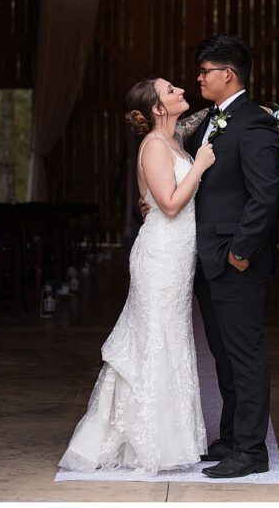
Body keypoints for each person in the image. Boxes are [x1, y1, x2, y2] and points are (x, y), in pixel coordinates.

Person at [59, 78, 215, 475]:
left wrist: (227, 112)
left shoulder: (175, 136)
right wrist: (198, 166)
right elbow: (170, 204)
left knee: (171, 338)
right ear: (157, 109)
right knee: (153, 340)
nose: (180, 88)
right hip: (160, 256)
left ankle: (168, 437)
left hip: (178, 258)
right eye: (170, 90)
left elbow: (197, 119)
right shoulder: (153, 146)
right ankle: (144, 440)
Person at [185, 35, 279, 478]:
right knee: (223, 355)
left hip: (233, 258)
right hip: (207, 256)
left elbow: (264, 195)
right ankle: (229, 439)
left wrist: (241, 252)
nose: (200, 78)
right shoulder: (214, 119)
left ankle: (251, 451)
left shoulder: (255, 124)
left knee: (245, 355)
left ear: (228, 74)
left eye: (205, 71)